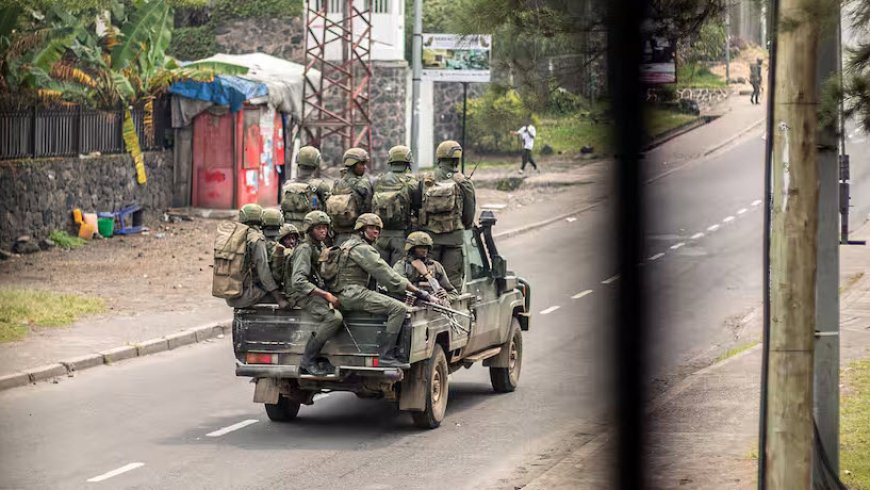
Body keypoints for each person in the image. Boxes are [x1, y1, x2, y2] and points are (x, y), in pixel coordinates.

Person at [326, 213, 442, 368]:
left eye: (378, 229)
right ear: (361, 230)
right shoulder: (363, 249)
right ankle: (386, 355)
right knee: (399, 308)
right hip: (354, 294)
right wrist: (421, 293)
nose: (376, 232)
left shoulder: (347, 244)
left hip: (344, 292)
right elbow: (388, 276)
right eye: (372, 228)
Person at [285, 211, 344, 376]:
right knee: (334, 317)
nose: (323, 231)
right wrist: (325, 295)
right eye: (319, 228)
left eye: (325, 227)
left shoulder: (320, 247)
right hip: (300, 294)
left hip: (313, 291)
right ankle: (308, 360)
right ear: (310, 230)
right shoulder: (304, 249)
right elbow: (298, 281)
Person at [418, 140, 476, 289]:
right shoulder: (464, 182)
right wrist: (463, 225)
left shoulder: (426, 179)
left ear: (439, 157)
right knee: (452, 281)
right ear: (457, 159)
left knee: (428, 279)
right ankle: (452, 310)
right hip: (454, 239)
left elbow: (418, 205)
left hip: (429, 238)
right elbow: (469, 215)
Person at [225, 203, 291, 310]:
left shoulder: (235, 236)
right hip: (247, 295)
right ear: (261, 219)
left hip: (231, 294)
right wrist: (279, 299)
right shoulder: (256, 240)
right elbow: (263, 271)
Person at [372, 145, 422, 265]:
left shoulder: (378, 181)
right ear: (408, 162)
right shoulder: (413, 183)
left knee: (381, 274)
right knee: (399, 275)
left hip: (380, 235)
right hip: (402, 235)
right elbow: (418, 208)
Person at [326, 147, 373, 246]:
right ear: (353, 165)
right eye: (362, 164)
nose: (365, 167)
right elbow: (369, 211)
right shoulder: (363, 185)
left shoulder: (337, 184)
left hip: (337, 235)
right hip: (357, 236)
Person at [393, 231, 458, 301]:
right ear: (412, 249)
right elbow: (398, 289)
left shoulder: (435, 266)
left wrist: (446, 296)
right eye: (420, 247)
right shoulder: (402, 266)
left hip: (435, 306)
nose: (424, 250)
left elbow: (453, 293)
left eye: (426, 247)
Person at [281, 146, 331, 230]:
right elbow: (329, 210)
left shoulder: (287, 185)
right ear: (316, 163)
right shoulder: (320, 186)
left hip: (289, 232)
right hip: (310, 232)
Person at [270, 223, 301, 288]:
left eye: (293, 238)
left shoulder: (299, 252)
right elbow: (277, 275)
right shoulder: (276, 253)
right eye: (288, 239)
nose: (292, 241)